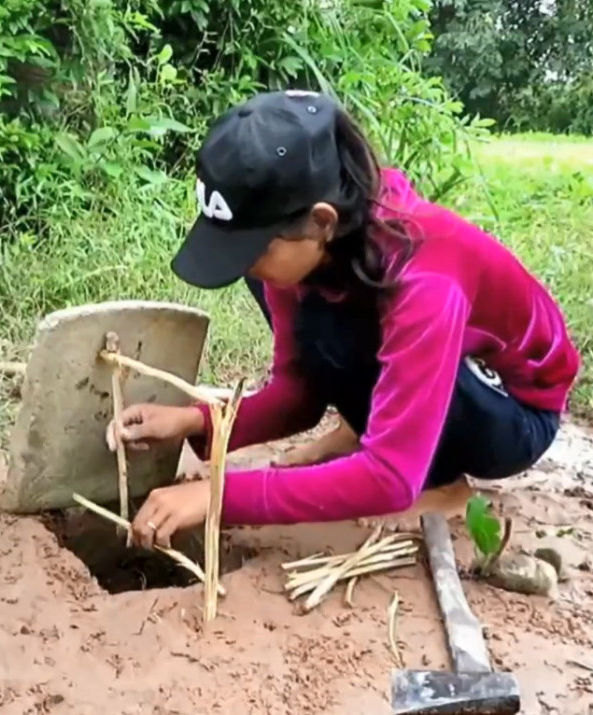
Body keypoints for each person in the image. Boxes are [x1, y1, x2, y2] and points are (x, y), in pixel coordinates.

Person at [106, 89, 580, 550]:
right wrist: (194, 421)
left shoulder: (423, 279)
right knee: (315, 307)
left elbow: (389, 478)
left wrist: (219, 495)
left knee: (340, 329)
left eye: (252, 248)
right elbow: (299, 395)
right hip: (427, 358)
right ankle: (365, 427)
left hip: (510, 411)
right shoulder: (305, 251)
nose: (246, 264)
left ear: (321, 222)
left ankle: (441, 482)